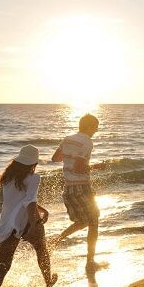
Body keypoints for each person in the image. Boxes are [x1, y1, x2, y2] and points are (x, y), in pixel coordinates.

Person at [0, 145, 58, 287]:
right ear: (34, 162)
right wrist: (34, 225)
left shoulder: (8, 177)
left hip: (7, 224)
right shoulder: (34, 177)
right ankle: (48, 282)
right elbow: (29, 202)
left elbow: (21, 199)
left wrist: (42, 209)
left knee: (3, 266)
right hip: (27, 221)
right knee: (42, 251)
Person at [51, 113, 101, 272]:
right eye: (95, 127)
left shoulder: (67, 138)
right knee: (93, 222)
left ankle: (56, 240)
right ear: (88, 127)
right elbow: (79, 167)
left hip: (68, 187)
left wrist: (70, 155)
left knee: (83, 221)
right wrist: (97, 167)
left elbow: (55, 158)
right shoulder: (87, 141)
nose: (96, 130)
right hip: (81, 186)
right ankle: (90, 262)